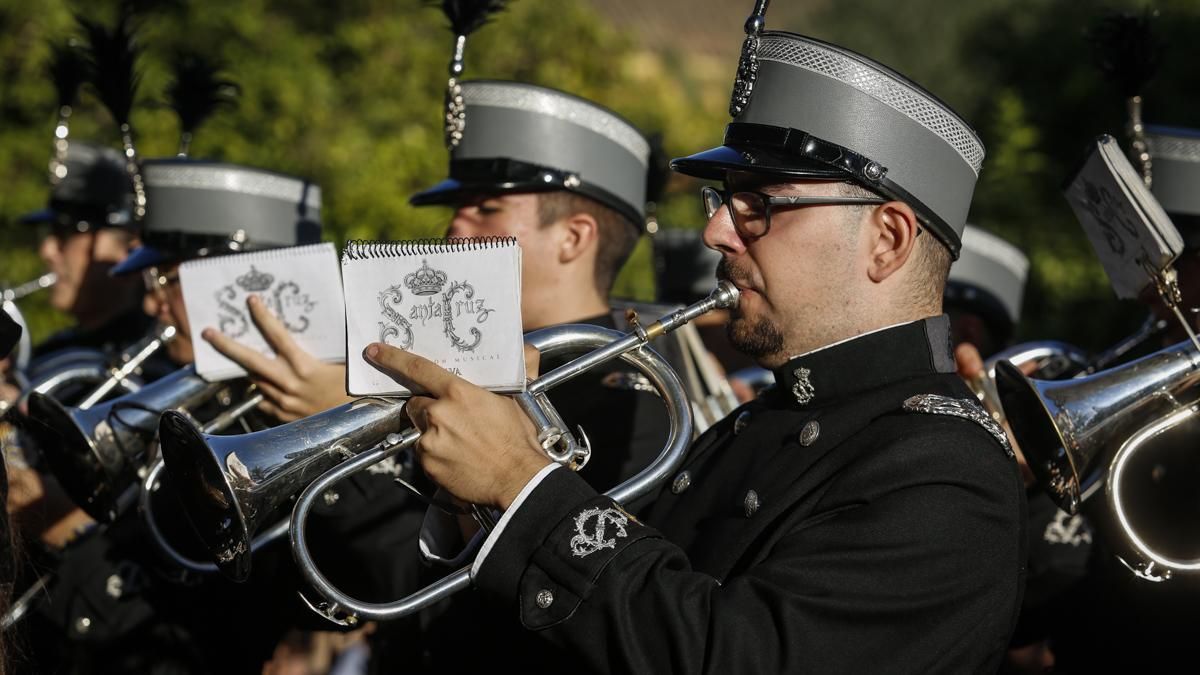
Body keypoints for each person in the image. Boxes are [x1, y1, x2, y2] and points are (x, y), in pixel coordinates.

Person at [362, 13, 1027, 673]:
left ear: (886, 240)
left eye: (759, 206)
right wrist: (478, 483)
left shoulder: (949, 471)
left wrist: (519, 478)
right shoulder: (756, 423)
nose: (718, 234)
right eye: (725, 201)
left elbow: (734, 656)